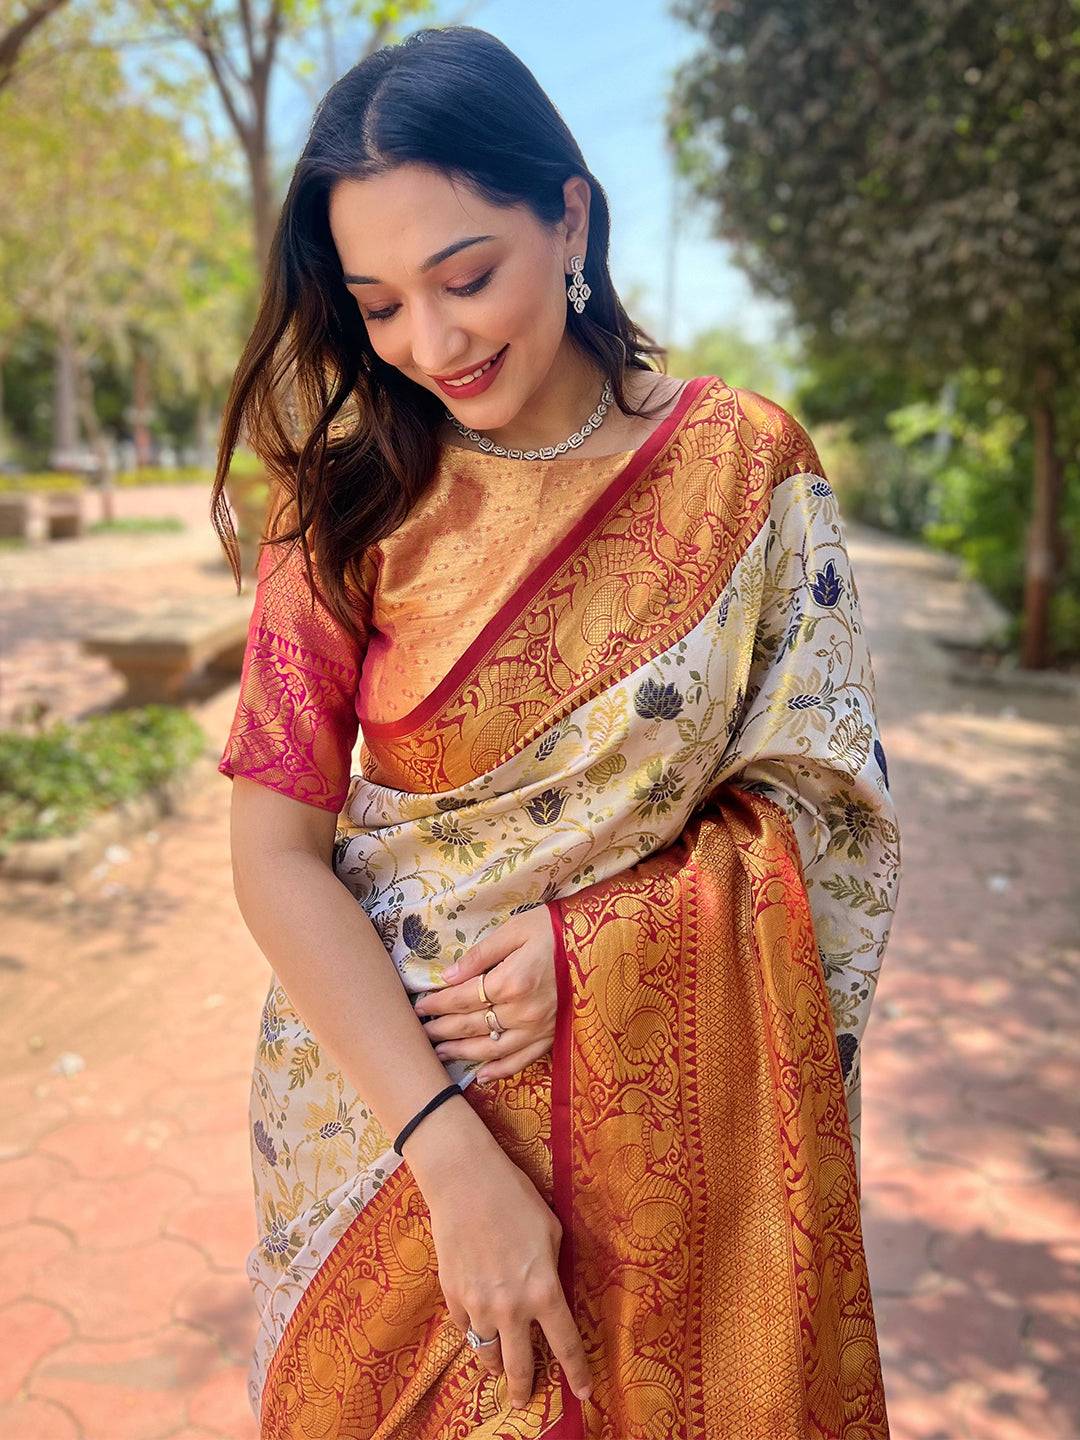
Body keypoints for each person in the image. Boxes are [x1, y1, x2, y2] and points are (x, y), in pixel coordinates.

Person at [212, 24, 901, 1440]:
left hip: (675, 1154)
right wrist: (449, 1157)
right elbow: (275, 856)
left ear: (569, 211)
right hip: (386, 1135)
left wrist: (607, 947)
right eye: (380, 305)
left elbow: (829, 815)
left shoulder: (742, 469)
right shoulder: (341, 507)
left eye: (467, 277)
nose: (433, 343)